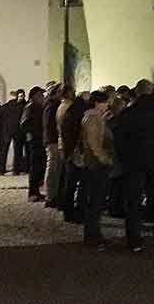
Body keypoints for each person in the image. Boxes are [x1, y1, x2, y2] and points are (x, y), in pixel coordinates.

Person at [112, 79, 154, 252]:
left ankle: (134, 240)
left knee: (134, 201)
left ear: (137, 92)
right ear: (152, 91)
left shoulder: (128, 113)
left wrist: (124, 158)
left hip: (134, 162)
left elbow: (120, 138)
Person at [80, 90, 115, 248]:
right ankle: (93, 236)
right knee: (95, 200)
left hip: (95, 163)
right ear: (97, 103)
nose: (108, 105)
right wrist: (104, 159)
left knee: (96, 200)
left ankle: (94, 234)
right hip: (95, 164)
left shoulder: (96, 117)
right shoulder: (92, 118)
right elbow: (93, 143)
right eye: (105, 102)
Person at [60, 92, 89, 223]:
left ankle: (68, 211)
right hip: (78, 153)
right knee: (82, 184)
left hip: (69, 152)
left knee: (70, 184)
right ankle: (80, 211)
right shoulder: (80, 116)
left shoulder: (69, 114)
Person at [43, 84, 70, 208]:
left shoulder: (52, 104)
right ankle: (51, 196)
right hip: (53, 141)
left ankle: (53, 195)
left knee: (56, 169)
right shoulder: (52, 105)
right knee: (53, 169)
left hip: (53, 140)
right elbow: (50, 126)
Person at [21, 87, 46, 202]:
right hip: (34, 141)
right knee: (34, 167)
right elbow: (23, 124)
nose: (42, 97)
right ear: (34, 96)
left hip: (39, 140)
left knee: (39, 167)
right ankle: (32, 192)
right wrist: (34, 132)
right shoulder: (30, 107)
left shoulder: (39, 106)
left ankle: (36, 191)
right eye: (40, 94)